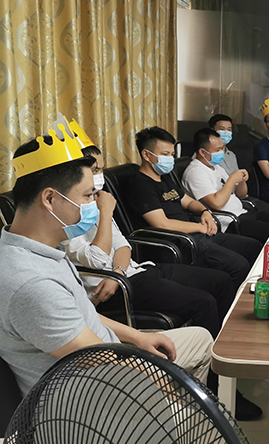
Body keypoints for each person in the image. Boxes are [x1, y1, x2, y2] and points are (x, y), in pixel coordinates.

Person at [0, 131, 212, 396]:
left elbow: (82, 315)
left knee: (201, 339)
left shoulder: (45, 247)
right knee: (191, 410)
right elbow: (99, 360)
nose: (94, 204)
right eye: (88, 196)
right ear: (50, 199)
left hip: (107, 356)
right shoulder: (32, 283)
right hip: (87, 396)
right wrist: (165, 388)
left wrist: (138, 337)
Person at [65, 144, 236, 343]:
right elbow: (96, 259)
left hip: (133, 271)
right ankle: (208, 359)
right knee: (204, 303)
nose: (99, 176)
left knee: (221, 281)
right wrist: (105, 212)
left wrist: (119, 271)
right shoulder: (66, 214)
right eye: (94, 170)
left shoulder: (97, 201)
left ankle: (226, 345)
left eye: (101, 170)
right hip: (111, 290)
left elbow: (123, 245)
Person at [126, 127, 262, 291]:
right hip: (178, 243)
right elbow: (162, 224)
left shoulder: (165, 177)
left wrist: (204, 212)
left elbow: (188, 202)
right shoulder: (140, 185)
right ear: (146, 155)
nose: (170, 159)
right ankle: (232, 304)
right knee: (237, 266)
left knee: (253, 247)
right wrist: (198, 227)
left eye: (172, 154)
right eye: (165, 154)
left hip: (196, 234)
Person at [183, 129, 269, 243]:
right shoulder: (195, 172)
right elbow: (216, 204)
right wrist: (232, 180)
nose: (222, 152)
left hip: (243, 212)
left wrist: (241, 181)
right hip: (228, 221)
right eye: (218, 150)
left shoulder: (216, 167)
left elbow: (241, 195)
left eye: (222, 148)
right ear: (202, 152)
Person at [208, 114, 269, 216]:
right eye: (222, 129)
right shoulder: (207, 157)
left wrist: (242, 179)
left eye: (229, 130)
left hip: (241, 197)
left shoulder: (231, 155)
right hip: (227, 202)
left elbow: (241, 190)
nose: (226, 133)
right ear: (212, 131)